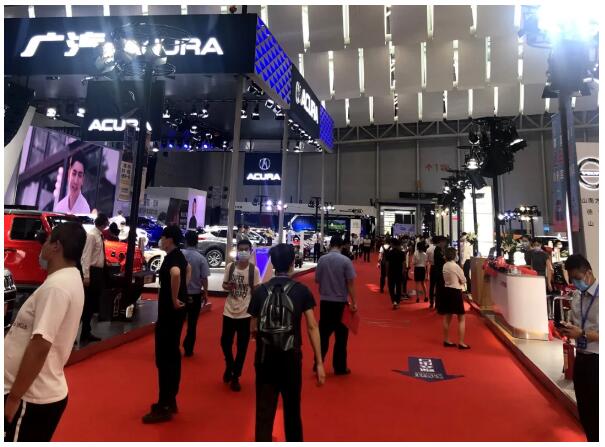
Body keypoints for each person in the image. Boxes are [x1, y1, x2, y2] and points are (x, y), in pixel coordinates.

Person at [4, 222, 87, 442]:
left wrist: (14, 398)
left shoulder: (56, 287)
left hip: (30, 398)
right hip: (35, 393)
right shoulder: (69, 278)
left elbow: (40, 345)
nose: (43, 246)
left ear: (56, 247)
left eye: (47, 241)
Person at [248, 244, 325, 442]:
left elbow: (253, 327)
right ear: (292, 263)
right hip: (291, 358)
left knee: (264, 410)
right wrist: (319, 362)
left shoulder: (260, 292)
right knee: (292, 410)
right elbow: (312, 326)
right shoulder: (301, 291)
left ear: (273, 263)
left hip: (264, 359)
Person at [142, 225, 190, 424]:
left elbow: (177, 273)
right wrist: (182, 293)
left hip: (169, 315)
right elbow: (186, 270)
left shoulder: (172, 259)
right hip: (175, 315)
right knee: (172, 356)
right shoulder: (179, 256)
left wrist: (174, 298)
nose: (161, 240)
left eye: (163, 237)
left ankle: (164, 405)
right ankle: (170, 400)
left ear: (169, 239)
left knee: (164, 359)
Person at [559, 255, 598, 442]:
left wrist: (582, 333)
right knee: (586, 412)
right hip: (581, 359)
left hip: (597, 360)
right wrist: (567, 329)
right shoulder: (577, 297)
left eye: (577, 278)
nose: (575, 283)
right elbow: (577, 325)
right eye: (572, 279)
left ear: (588, 273)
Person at [221, 239, 261, 392]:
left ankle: (235, 376)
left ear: (250, 251)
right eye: (241, 249)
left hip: (245, 313)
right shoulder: (230, 267)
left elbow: (256, 291)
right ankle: (229, 364)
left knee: (242, 346)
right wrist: (228, 286)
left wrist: (255, 316)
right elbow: (224, 285)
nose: (243, 252)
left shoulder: (254, 270)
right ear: (237, 250)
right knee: (225, 342)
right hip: (228, 311)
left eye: (246, 249)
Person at [315, 235, 357, 375]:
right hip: (341, 303)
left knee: (323, 336)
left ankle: (318, 363)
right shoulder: (346, 261)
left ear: (330, 244)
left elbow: (317, 280)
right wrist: (354, 302)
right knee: (341, 338)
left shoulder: (322, 259)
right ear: (341, 246)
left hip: (325, 302)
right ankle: (339, 367)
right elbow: (350, 284)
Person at [79, 213, 109, 344]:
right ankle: (81, 332)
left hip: (98, 272)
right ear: (103, 223)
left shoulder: (99, 235)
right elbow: (86, 256)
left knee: (92, 304)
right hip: (92, 272)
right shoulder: (92, 235)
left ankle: (86, 331)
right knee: (88, 304)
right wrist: (86, 275)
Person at [181, 231, 210, 357]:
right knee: (192, 324)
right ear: (197, 242)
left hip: (180, 294)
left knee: (177, 322)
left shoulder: (180, 255)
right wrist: (206, 292)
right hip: (195, 294)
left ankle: (173, 347)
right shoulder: (201, 258)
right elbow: (204, 278)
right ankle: (188, 349)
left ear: (186, 241)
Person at [440, 247, 470, 349]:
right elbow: (464, 280)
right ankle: (461, 342)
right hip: (455, 292)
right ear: (454, 255)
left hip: (447, 291)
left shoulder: (445, 265)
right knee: (461, 318)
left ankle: (446, 340)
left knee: (447, 317)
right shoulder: (455, 266)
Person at [385, 238, 406, 309]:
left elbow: (387, 264)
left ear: (392, 244)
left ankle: (394, 301)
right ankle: (397, 301)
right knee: (399, 287)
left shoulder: (389, 253)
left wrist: (387, 272)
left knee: (391, 287)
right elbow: (404, 263)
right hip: (399, 272)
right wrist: (403, 271)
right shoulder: (402, 253)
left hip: (391, 272)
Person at [431, 237, 447, 310]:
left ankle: (439, 304)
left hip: (440, 271)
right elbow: (443, 259)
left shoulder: (440, 249)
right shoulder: (437, 249)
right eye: (444, 243)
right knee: (439, 288)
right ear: (441, 242)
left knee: (440, 288)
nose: (445, 244)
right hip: (439, 271)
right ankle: (438, 305)